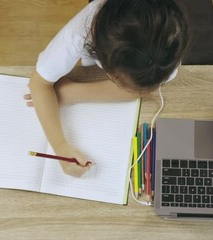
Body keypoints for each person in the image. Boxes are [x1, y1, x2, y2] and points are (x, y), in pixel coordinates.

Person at [24, 0, 188, 177]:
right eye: (120, 81)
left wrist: (71, 93)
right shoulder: (79, 34)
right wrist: (60, 146)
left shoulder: (166, 47)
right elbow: (38, 83)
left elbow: (138, 91)